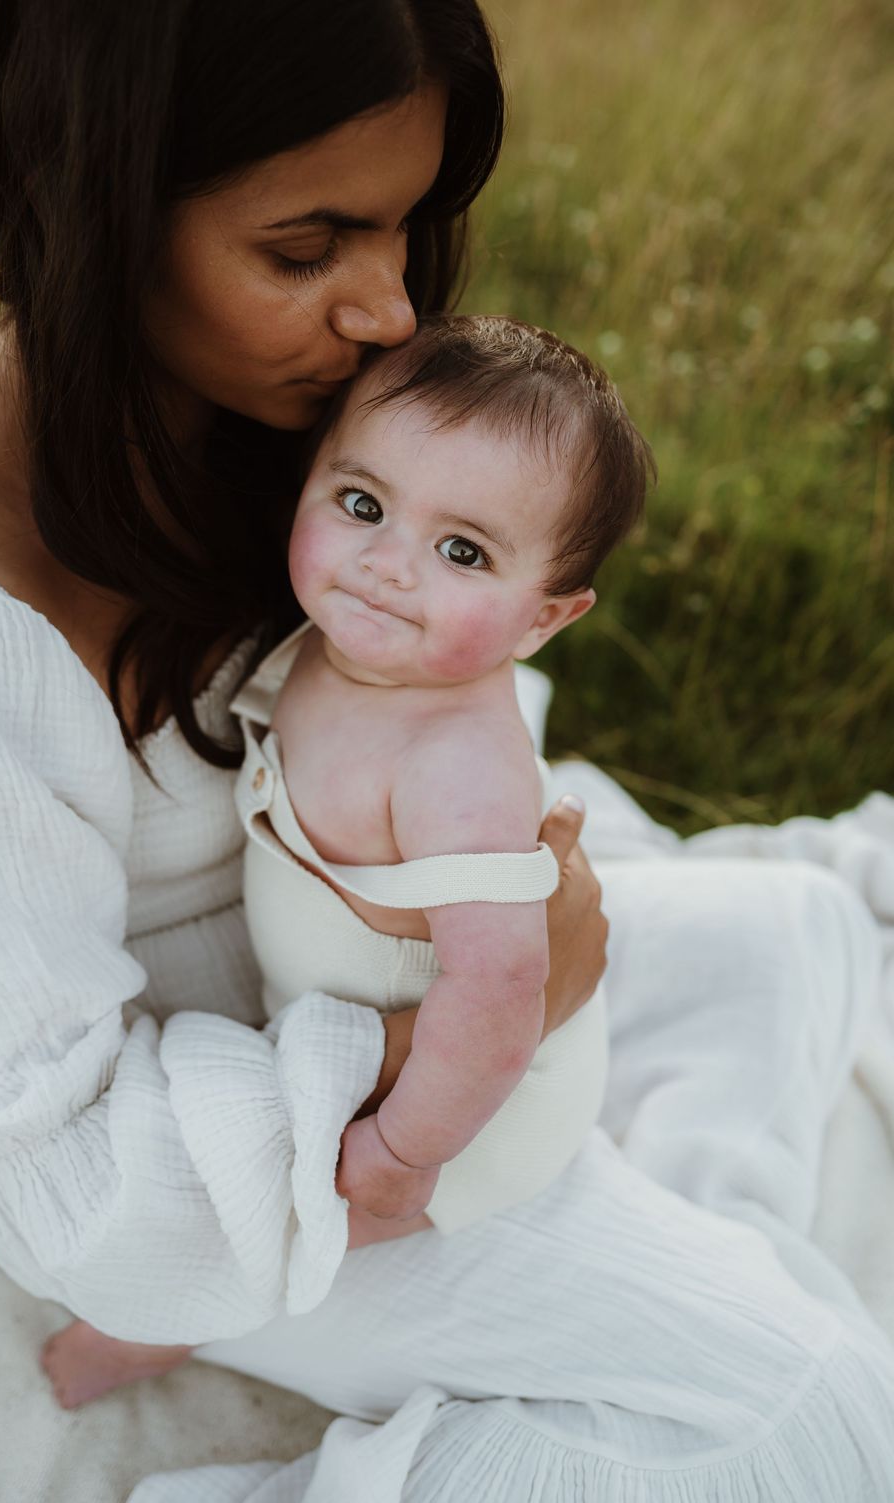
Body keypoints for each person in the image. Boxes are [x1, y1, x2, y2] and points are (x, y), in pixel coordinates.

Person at [0, 2, 893, 1500]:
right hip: (262, 1148)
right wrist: (451, 1048)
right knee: (805, 1412)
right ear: (94, 206)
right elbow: (74, 1191)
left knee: (786, 934)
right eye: (308, 251)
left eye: (405, 231)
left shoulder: (244, 414)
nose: (384, 311)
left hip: (357, 964)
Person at [37, 312, 647, 1405]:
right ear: (310, 483)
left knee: (295, 1205)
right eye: (361, 504)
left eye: (462, 552)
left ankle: (164, 1329)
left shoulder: (455, 768)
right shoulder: (337, 644)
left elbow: (505, 983)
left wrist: (406, 1154)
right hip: (365, 1026)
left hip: (475, 1095)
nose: (385, 565)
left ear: (543, 620)